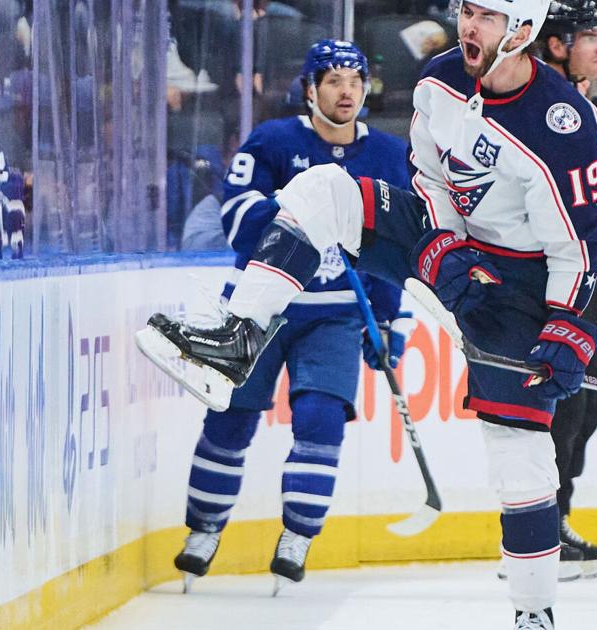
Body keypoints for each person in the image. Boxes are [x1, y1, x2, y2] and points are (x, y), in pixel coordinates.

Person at [137, 2, 597, 627]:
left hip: (520, 286)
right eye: (466, 10)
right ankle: (240, 336)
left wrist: (567, 325)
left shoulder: (566, 124)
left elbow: (578, 247)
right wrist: (442, 242)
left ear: (522, 31)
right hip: (454, 247)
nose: (468, 26)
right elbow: (431, 178)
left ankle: (533, 611)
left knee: (517, 452)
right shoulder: (440, 79)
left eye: (487, 17)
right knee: (323, 190)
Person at [169, 40, 412, 595]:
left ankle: (297, 537)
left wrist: (388, 321)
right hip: (257, 308)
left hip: (335, 316)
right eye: (333, 81)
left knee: (321, 420)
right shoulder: (273, 141)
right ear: (309, 89)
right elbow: (239, 225)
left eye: (355, 80)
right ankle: (204, 530)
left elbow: (393, 249)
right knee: (230, 421)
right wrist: (308, 208)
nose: (346, 91)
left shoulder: (387, 156)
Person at [531, 0, 597, 582]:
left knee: (585, 407)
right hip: (541, 275)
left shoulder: (583, 107)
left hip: (576, 273)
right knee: (559, 407)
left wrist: (592, 268)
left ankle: (557, 519)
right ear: (558, 45)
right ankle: (538, 531)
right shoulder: (539, 104)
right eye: (590, 36)